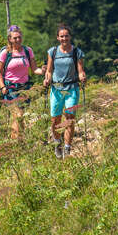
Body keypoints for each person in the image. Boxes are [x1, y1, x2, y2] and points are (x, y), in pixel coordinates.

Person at [43, 23, 86, 159]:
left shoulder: (77, 52)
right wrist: (47, 79)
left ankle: (67, 148)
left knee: (69, 118)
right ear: (57, 38)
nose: (64, 39)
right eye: (61, 36)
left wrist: (82, 77)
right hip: (56, 89)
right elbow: (49, 70)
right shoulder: (53, 52)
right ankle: (57, 144)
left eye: (66, 36)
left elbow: (80, 70)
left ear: (70, 37)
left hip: (72, 88)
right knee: (55, 119)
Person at [0, 24, 42, 140]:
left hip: (25, 88)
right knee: (18, 115)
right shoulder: (5, 53)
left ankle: (18, 141)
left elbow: (35, 69)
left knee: (20, 116)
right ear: (9, 39)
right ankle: (17, 142)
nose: (18, 40)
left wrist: (46, 71)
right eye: (15, 38)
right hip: (10, 88)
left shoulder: (27, 51)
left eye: (19, 37)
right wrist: (2, 87)